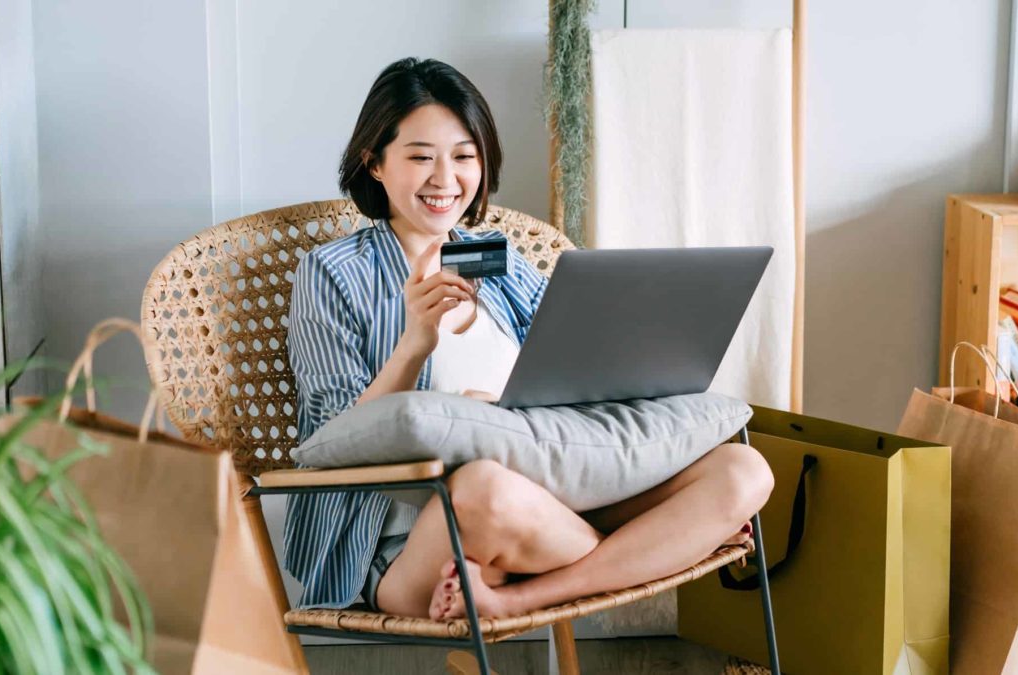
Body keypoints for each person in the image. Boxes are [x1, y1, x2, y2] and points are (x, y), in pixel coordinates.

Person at [283, 57, 774, 621]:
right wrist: (415, 344)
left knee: (744, 470)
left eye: (465, 157)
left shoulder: (501, 259)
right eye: (420, 157)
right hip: (417, 544)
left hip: (558, 505)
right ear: (374, 164)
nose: (446, 180)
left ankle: (518, 597)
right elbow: (328, 443)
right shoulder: (332, 273)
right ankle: (643, 551)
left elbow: (577, 374)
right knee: (484, 484)